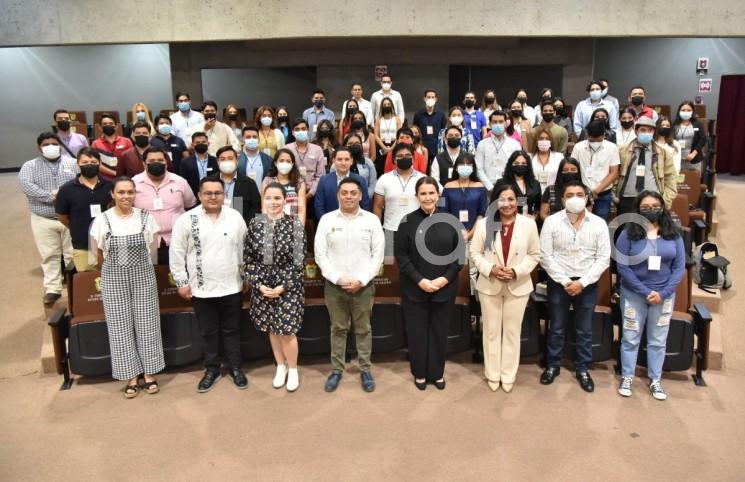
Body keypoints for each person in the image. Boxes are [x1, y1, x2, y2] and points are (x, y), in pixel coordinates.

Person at [170, 176, 249, 393]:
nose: (213, 197)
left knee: (232, 330)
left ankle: (235, 367)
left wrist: (245, 277)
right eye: (208, 193)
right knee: (208, 332)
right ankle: (211, 369)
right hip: (201, 288)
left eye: (218, 193)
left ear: (224, 195)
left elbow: (244, 250)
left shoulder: (235, 217)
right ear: (199, 195)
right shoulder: (186, 220)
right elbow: (176, 254)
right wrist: (182, 282)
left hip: (231, 285)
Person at [90, 176, 164, 398]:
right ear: (112, 194)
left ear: (135, 194)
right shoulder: (103, 220)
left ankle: (149, 373)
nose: (126, 196)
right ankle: (131, 375)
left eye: (130, 192)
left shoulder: (146, 218)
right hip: (114, 278)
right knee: (120, 326)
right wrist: (117, 269)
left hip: (143, 276)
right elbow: (98, 253)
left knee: (148, 322)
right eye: (121, 192)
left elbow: (153, 248)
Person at [539, 181, 611, 392]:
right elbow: (546, 256)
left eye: (579, 194)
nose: (575, 198)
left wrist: (582, 282)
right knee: (557, 327)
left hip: (586, 283)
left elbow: (603, 258)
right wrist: (564, 281)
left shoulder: (598, 224)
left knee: (584, 329)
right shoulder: (552, 222)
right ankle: (553, 366)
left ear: (587, 197)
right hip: (559, 281)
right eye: (569, 194)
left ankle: (582, 368)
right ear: (562, 199)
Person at [315, 177, 385, 393]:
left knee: (364, 329)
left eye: (353, 192)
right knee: (337, 328)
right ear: (338, 195)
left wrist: (361, 280)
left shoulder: (372, 220)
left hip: (363, 286)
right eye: (344, 192)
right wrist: (337, 279)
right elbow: (320, 254)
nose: (348, 196)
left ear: (360, 195)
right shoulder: (326, 220)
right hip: (335, 286)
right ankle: (336, 369)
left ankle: (365, 368)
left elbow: (378, 256)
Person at [470, 184, 540, 392]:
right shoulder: (484, 224)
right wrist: (491, 269)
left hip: (517, 285)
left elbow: (534, 255)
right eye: (502, 199)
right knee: (491, 331)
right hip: (490, 284)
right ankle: (492, 374)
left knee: (511, 332)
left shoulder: (528, 225)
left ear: (517, 201)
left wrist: (517, 271)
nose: (507, 204)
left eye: (511, 199)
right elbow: (475, 254)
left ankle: (508, 374)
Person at [616, 190, 685, 401]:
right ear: (638, 210)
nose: (651, 210)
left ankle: (655, 380)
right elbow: (622, 266)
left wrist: (662, 293)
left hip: (663, 296)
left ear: (662, 207)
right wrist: (645, 292)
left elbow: (679, 267)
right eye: (645, 207)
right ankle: (627, 376)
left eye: (655, 206)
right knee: (630, 338)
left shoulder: (673, 233)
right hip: (634, 294)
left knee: (657, 340)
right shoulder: (627, 232)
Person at [395, 177, 462, 390]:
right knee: (417, 332)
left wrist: (444, 279)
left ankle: (437, 372)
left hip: (445, 286)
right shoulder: (406, 222)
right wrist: (420, 280)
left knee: (439, 331)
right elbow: (402, 257)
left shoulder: (450, 220)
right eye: (423, 193)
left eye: (431, 193)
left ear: (438, 195)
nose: (427, 197)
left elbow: (458, 256)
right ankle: (420, 373)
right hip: (415, 287)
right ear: (416, 196)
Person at [245, 182, 306, 392]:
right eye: (269, 198)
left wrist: (283, 286)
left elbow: (299, 262)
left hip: (288, 287)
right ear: (263, 200)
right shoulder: (255, 224)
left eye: (277, 198)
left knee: (287, 330)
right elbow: (248, 259)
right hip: (262, 287)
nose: (273, 202)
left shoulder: (294, 225)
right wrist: (259, 285)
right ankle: (280, 366)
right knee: (272, 328)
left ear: (285, 200)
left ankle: (294, 368)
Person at [19, 132, 77, 304]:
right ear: (39, 147)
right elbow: (27, 186)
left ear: (60, 145)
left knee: (72, 254)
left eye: (54, 143)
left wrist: (64, 199)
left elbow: (78, 183)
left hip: (69, 217)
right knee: (49, 254)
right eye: (46, 144)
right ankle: (53, 288)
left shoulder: (72, 163)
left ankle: (75, 285)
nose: (50, 146)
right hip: (43, 218)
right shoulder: (29, 166)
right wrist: (53, 197)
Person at [133, 146, 197, 264]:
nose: (156, 163)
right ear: (144, 164)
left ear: (166, 163)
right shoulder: (134, 184)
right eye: (151, 161)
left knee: (176, 279)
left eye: (160, 160)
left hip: (177, 241)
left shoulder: (180, 182)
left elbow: (191, 207)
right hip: (145, 243)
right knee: (150, 280)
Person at [55, 147, 113, 272]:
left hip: (111, 245)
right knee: (90, 287)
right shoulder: (67, 189)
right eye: (85, 163)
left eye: (93, 163)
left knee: (116, 282)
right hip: (83, 245)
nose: (89, 165)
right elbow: (62, 216)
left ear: (100, 164)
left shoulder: (111, 186)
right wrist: (77, 227)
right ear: (78, 164)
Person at [440, 156, 487, 294]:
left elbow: (482, 213)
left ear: (473, 168)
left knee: (473, 271)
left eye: (468, 164)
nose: (465, 167)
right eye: (461, 164)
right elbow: (443, 212)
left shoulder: (480, 187)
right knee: (454, 269)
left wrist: (470, 233)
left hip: (475, 235)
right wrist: (457, 232)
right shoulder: (447, 187)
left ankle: (472, 304)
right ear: (456, 167)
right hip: (452, 236)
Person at [615, 117, 677, 215]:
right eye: (643, 130)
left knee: (650, 230)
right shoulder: (622, 151)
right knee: (626, 230)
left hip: (653, 201)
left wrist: (665, 200)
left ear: (654, 132)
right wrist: (614, 196)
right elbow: (615, 174)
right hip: (627, 199)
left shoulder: (664, 153)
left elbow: (671, 179)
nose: (646, 133)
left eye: (650, 130)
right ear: (636, 131)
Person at [570, 119, 620, 221]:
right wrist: (585, 191)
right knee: (580, 222)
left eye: (598, 140)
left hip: (603, 194)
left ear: (604, 135)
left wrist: (597, 190)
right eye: (592, 139)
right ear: (587, 134)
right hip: (581, 194)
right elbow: (573, 169)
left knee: (601, 223)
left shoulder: (612, 148)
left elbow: (614, 173)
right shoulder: (578, 147)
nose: (595, 142)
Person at [373, 143, 425, 234]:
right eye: (400, 156)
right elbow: (377, 207)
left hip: (417, 229)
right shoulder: (384, 179)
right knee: (389, 249)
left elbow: (438, 197)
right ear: (394, 160)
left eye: (407, 155)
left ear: (413, 158)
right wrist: (377, 229)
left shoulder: (423, 179)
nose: (404, 158)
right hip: (390, 229)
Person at [314, 148, 370, 219]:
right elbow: (319, 206)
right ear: (333, 160)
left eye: (347, 159)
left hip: (355, 223)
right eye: (339, 159)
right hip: (330, 225)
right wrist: (327, 222)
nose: (343, 163)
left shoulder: (360, 181)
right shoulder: (324, 181)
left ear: (351, 161)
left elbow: (365, 205)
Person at [475, 111, 521, 192]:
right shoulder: (482, 144)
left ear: (506, 123)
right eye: (495, 122)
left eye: (501, 122)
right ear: (490, 124)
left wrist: (509, 187)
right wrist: (490, 187)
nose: (498, 124)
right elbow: (479, 169)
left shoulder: (515, 144)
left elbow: (518, 167)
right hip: (487, 189)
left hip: (509, 188)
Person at [215, 146, 261, 225]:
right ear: (217, 162)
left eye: (230, 158)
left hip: (241, 227)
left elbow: (255, 207)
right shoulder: (209, 182)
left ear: (237, 161)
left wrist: (244, 225)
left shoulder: (249, 183)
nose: (227, 162)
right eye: (222, 159)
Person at [261, 149, 307, 225]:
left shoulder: (299, 183)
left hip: (293, 226)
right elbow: (264, 209)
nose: (284, 163)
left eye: (288, 161)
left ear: (292, 164)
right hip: (272, 226)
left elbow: (301, 210)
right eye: (281, 160)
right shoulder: (267, 181)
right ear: (275, 163)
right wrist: (268, 232)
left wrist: (299, 233)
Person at [284, 119, 325, 203]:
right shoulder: (286, 149)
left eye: (303, 129)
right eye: (297, 129)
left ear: (308, 131)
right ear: (292, 132)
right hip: (291, 194)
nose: (300, 131)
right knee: (292, 216)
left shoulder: (317, 150)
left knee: (312, 216)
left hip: (313, 194)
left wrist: (310, 194)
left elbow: (320, 175)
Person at [494, 151, 542, 217]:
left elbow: (539, 207)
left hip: (529, 222)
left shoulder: (535, 184)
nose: (520, 165)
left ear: (528, 166)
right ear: (511, 164)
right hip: (507, 221)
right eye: (516, 163)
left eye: (523, 163)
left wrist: (534, 216)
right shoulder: (501, 183)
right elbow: (493, 208)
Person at [91, 113, 132, 180]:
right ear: (100, 128)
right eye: (105, 124)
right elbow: (96, 164)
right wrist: (114, 173)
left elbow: (130, 161)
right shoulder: (95, 144)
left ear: (116, 126)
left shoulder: (126, 141)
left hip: (124, 178)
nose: (108, 125)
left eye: (111, 123)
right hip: (104, 180)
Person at [337, 134, 377, 199]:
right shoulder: (337, 164)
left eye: (357, 143)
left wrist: (364, 198)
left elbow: (372, 185)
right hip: (343, 200)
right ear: (344, 146)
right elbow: (334, 184)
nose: (354, 145)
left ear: (361, 146)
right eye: (350, 143)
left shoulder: (368, 163)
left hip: (364, 200)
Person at [412, 89, 447, 163]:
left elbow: (442, 130)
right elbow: (415, 130)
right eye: (428, 97)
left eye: (432, 97)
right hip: (422, 147)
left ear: (436, 99)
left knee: (436, 171)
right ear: (424, 99)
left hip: (436, 147)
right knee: (424, 170)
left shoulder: (441, 115)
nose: (430, 99)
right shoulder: (418, 114)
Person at [179, 132, 217, 197]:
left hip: (213, 195)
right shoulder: (185, 162)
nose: (201, 144)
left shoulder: (215, 160)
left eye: (203, 142)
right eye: (197, 142)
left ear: (208, 143)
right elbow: (183, 181)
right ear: (192, 145)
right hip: (193, 195)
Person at [673, 100, 707, 172]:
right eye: (683, 110)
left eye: (689, 110)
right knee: (679, 182)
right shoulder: (674, 124)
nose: (686, 112)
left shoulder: (698, 124)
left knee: (693, 181)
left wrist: (693, 154)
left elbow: (703, 139)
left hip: (694, 159)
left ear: (692, 112)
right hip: (677, 159)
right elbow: (670, 140)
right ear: (679, 111)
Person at [530, 126, 564, 193]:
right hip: (533, 196)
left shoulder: (559, 157)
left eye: (547, 138)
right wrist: (522, 203)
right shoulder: (528, 158)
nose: (544, 141)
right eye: (541, 138)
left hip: (553, 195)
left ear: (551, 141)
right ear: (536, 142)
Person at [374, 97, 402, 164]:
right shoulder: (378, 120)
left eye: (388, 104)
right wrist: (384, 147)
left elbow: (399, 135)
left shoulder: (397, 119)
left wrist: (392, 148)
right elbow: (376, 135)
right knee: (381, 167)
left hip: (394, 144)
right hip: (382, 145)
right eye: (385, 105)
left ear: (392, 105)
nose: (387, 106)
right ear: (382, 107)